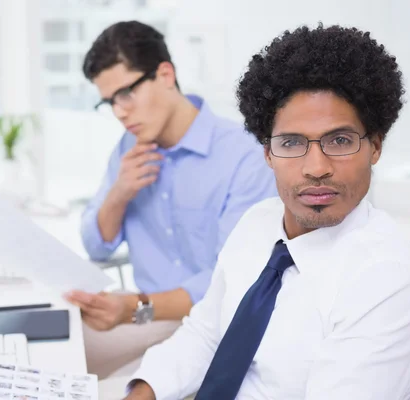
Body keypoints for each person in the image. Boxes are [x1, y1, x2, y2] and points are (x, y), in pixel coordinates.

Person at [121, 24, 410, 400]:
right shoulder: (257, 223)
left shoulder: (385, 281)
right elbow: (205, 334)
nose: (316, 167)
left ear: (375, 147)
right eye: (291, 142)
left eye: (340, 140)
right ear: (268, 153)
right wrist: (139, 395)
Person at [64, 21, 278, 378]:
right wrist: (119, 194)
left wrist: (133, 309)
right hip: (145, 317)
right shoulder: (128, 149)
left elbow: (230, 282)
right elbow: (96, 246)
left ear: (165, 74)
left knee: (109, 384)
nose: (119, 112)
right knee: (41, 350)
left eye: (126, 93)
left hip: (212, 327)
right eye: (109, 102)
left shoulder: (244, 156)